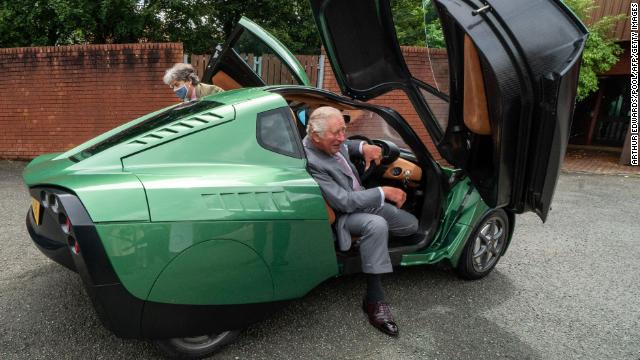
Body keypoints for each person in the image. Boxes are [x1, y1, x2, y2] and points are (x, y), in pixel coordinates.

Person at [302, 106, 420, 337]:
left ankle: (370, 244)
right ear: (315, 135)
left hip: (363, 201)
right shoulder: (312, 160)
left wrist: (362, 146)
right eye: (336, 133)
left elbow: (344, 146)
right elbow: (343, 202)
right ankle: (374, 300)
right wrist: (383, 192)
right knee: (377, 226)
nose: (342, 137)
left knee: (411, 226)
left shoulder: (328, 141)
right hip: (344, 216)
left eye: (344, 130)